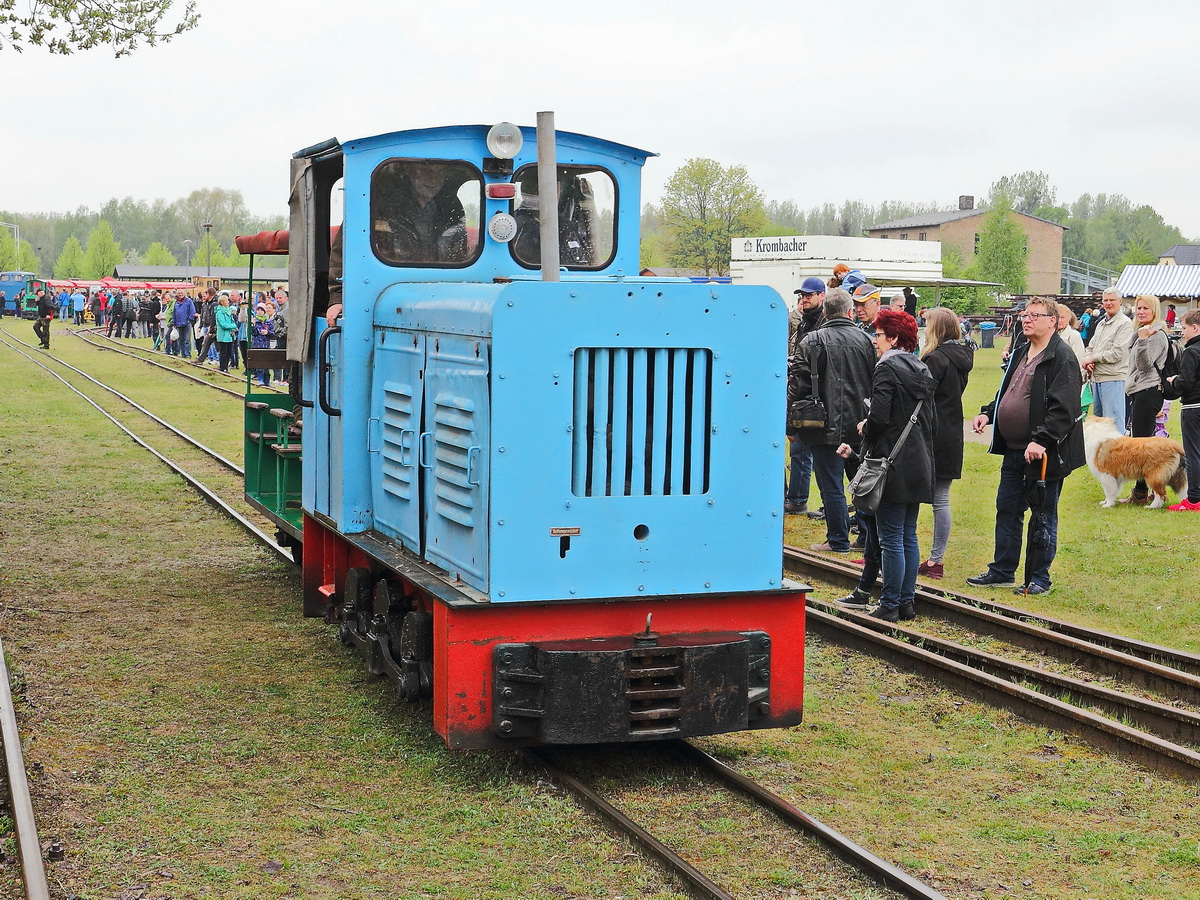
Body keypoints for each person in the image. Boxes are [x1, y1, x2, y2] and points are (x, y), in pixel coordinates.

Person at [969, 297, 1085, 595]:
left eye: (1035, 315)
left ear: (1053, 321)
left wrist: (1041, 440)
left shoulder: (1061, 357)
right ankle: (1002, 570)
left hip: (1044, 453)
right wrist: (989, 412)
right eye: (1025, 314)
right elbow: (1009, 390)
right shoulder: (1022, 349)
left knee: (1042, 515)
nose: (1027, 319)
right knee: (1007, 509)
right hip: (1014, 449)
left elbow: (1065, 409)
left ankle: (1038, 578)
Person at [845, 309, 935, 621]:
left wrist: (865, 426)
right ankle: (906, 602)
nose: (875, 340)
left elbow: (880, 416)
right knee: (908, 534)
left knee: (891, 538)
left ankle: (890, 604)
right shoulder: (921, 368)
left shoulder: (886, 367)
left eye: (880, 334)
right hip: (918, 460)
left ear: (894, 338)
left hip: (891, 462)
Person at [787, 287, 875, 553]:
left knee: (831, 485)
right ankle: (864, 537)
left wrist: (789, 422)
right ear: (849, 312)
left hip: (821, 424)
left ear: (825, 312)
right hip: (860, 423)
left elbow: (797, 385)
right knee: (861, 482)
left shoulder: (812, 340)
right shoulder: (866, 341)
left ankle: (838, 539)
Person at [914, 307, 974, 580]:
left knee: (920, 496)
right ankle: (935, 559)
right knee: (941, 498)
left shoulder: (935, 359)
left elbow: (920, 395)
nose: (924, 329)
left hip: (931, 432)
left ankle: (919, 555)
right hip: (951, 431)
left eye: (927, 324)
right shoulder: (961, 356)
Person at [1122, 294, 1171, 505]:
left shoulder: (1155, 335)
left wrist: (1142, 340)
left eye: (1146, 308)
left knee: (1142, 446)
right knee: (1140, 443)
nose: (1141, 312)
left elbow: (1144, 365)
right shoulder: (1140, 332)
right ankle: (1143, 490)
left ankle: (1144, 492)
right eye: (1139, 308)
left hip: (1149, 391)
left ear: (1154, 311)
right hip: (1139, 391)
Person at [785, 276, 826, 516]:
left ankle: (804, 500)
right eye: (803, 295)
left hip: (814, 393)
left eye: (809, 295)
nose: (805, 299)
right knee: (799, 449)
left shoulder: (822, 323)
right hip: (801, 389)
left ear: (822, 295)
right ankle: (798, 498)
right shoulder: (804, 322)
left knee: (815, 453)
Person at [1083, 287, 1134, 434]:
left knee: (1114, 425)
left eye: (1112, 300)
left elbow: (1117, 353)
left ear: (1120, 301)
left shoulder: (1125, 323)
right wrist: (1088, 360)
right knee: (1099, 426)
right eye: (1105, 300)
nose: (1108, 303)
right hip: (1097, 378)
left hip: (1113, 378)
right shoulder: (1101, 323)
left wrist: (1093, 358)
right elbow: (1091, 346)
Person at [1167, 309, 1200, 511]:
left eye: (1185, 328)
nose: (1182, 332)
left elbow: (1185, 382)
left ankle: (1194, 499)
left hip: (1193, 406)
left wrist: (1174, 381)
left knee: (1193, 453)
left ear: (1194, 327)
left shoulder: (1191, 351)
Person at [192, 288, 219, 366]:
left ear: (209, 294)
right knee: (206, 343)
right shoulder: (206, 303)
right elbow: (204, 315)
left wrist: (212, 328)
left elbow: (213, 317)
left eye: (205, 295)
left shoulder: (214, 303)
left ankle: (219, 360)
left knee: (217, 346)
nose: (203, 297)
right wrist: (201, 325)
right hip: (208, 326)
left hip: (213, 327)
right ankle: (201, 359)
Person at [214, 293, 238, 373]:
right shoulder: (219, 312)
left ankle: (226, 367)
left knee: (229, 351)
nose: (228, 301)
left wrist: (233, 327)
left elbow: (232, 321)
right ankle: (223, 367)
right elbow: (223, 324)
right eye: (226, 300)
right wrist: (233, 326)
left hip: (230, 335)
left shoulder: (229, 310)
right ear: (222, 302)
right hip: (223, 335)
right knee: (223, 352)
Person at [172, 291, 197, 358]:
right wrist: (174, 323)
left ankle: (187, 354)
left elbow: (192, 311)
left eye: (181, 293)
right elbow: (174, 313)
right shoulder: (176, 302)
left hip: (187, 323)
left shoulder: (189, 301)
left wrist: (189, 319)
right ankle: (183, 353)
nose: (180, 294)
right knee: (180, 339)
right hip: (178, 323)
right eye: (179, 293)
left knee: (187, 339)